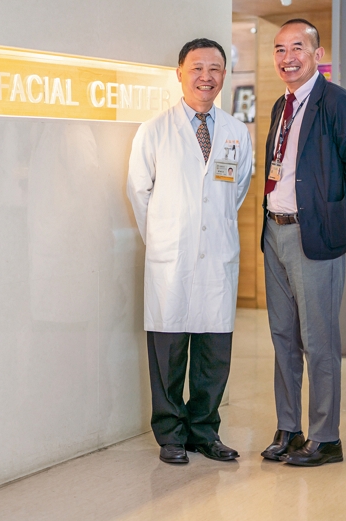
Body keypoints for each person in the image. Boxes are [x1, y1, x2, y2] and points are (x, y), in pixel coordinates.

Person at [127, 38, 252, 465]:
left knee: (213, 353)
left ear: (223, 76)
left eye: (215, 69)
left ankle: (204, 431)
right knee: (169, 351)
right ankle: (170, 436)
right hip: (171, 260)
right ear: (179, 73)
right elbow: (138, 192)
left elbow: (237, 189)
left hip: (217, 257)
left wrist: (205, 232)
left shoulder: (236, 132)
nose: (206, 77)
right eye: (197, 68)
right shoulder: (155, 130)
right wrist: (167, 238)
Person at [260, 19, 346, 466]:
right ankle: (289, 429)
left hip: (314, 237)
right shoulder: (280, 105)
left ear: (316, 52)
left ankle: (326, 437)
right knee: (283, 337)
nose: (288, 57)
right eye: (280, 49)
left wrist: (329, 214)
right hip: (274, 233)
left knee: (319, 339)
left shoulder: (336, 101)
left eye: (297, 48)